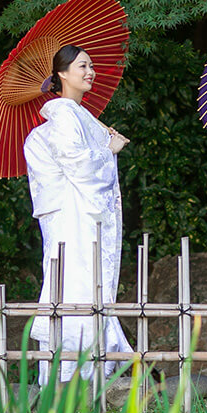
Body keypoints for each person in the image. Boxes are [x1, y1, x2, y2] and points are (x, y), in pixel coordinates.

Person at [23, 44, 134, 384]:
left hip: (75, 217)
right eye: (82, 66)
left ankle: (83, 370)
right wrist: (107, 149)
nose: (91, 72)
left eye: (91, 66)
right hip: (75, 219)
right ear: (62, 73)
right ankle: (80, 374)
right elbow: (79, 164)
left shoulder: (74, 115)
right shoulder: (65, 115)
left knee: (80, 285)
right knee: (78, 284)